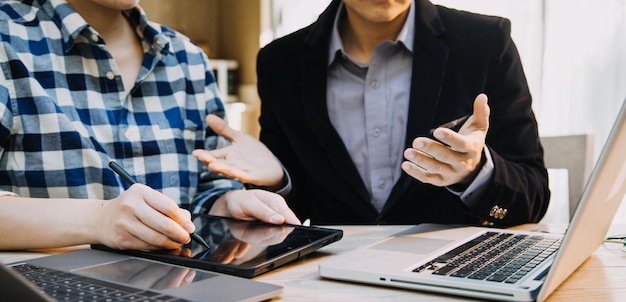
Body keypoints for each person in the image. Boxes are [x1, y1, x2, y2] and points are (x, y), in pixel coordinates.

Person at [194, 0, 552, 227]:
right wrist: (277, 180)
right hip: (331, 283)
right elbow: (297, 205)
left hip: (457, 279)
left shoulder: (485, 42)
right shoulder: (280, 62)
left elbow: (533, 195)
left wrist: (475, 173)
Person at [0, 0, 299, 251]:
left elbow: (206, 189)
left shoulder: (187, 58)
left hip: (182, 297)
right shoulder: (6, 38)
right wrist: (98, 220)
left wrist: (226, 206)